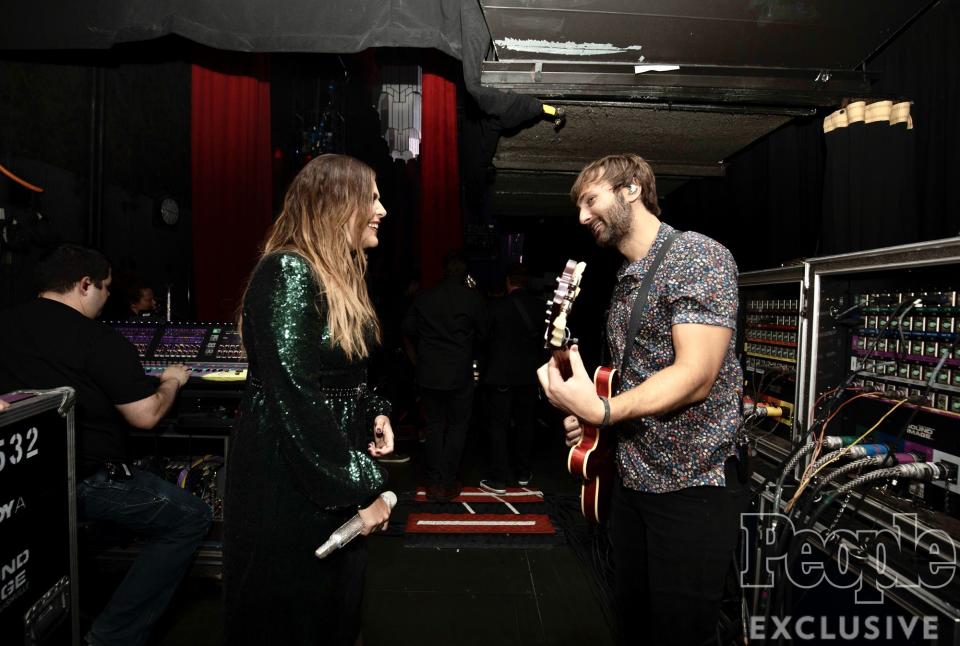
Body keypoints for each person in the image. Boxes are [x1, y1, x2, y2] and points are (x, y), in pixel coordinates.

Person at [537, 154, 748, 646]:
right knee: (634, 624)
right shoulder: (628, 278)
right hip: (634, 482)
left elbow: (695, 375)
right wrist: (593, 423)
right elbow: (630, 382)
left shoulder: (696, 257)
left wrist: (604, 411)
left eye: (590, 200)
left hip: (691, 485)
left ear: (631, 189)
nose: (582, 216)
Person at [0, 243, 212, 646]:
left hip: (17, 485)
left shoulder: (6, 325)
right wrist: (171, 381)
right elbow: (146, 415)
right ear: (85, 285)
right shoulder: (98, 338)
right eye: (105, 287)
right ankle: (113, 638)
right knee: (191, 516)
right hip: (82, 481)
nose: (107, 297)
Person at [223, 154, 395, 645]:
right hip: (290, 482)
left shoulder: (334, 276)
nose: (382, 209)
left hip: (322, 470)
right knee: (292, 619)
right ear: (338, 205)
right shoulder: (288, 272)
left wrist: (373, 410)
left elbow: (341, 376)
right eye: (372, 197)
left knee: (332, 617)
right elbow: (295, 394)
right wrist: (364, 485)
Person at [402, 251, 488, 501]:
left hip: (429, 373)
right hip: (459, 374)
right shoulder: (472, 299)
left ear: (443, 271)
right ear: (464, 274)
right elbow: (484, 333)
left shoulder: (424, 297)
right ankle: (448, 482)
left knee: (434, 425)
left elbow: (406, 328)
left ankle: (433, 482)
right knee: (457, 428)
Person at [479, 263, 544, 493]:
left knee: (499, 426)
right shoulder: (539, 307)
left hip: (500, 376)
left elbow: (484, 339)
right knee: (526, 425)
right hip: (528, 376)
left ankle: (499, 479)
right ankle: (523, 473)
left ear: (508, 281)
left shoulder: (496, 307)